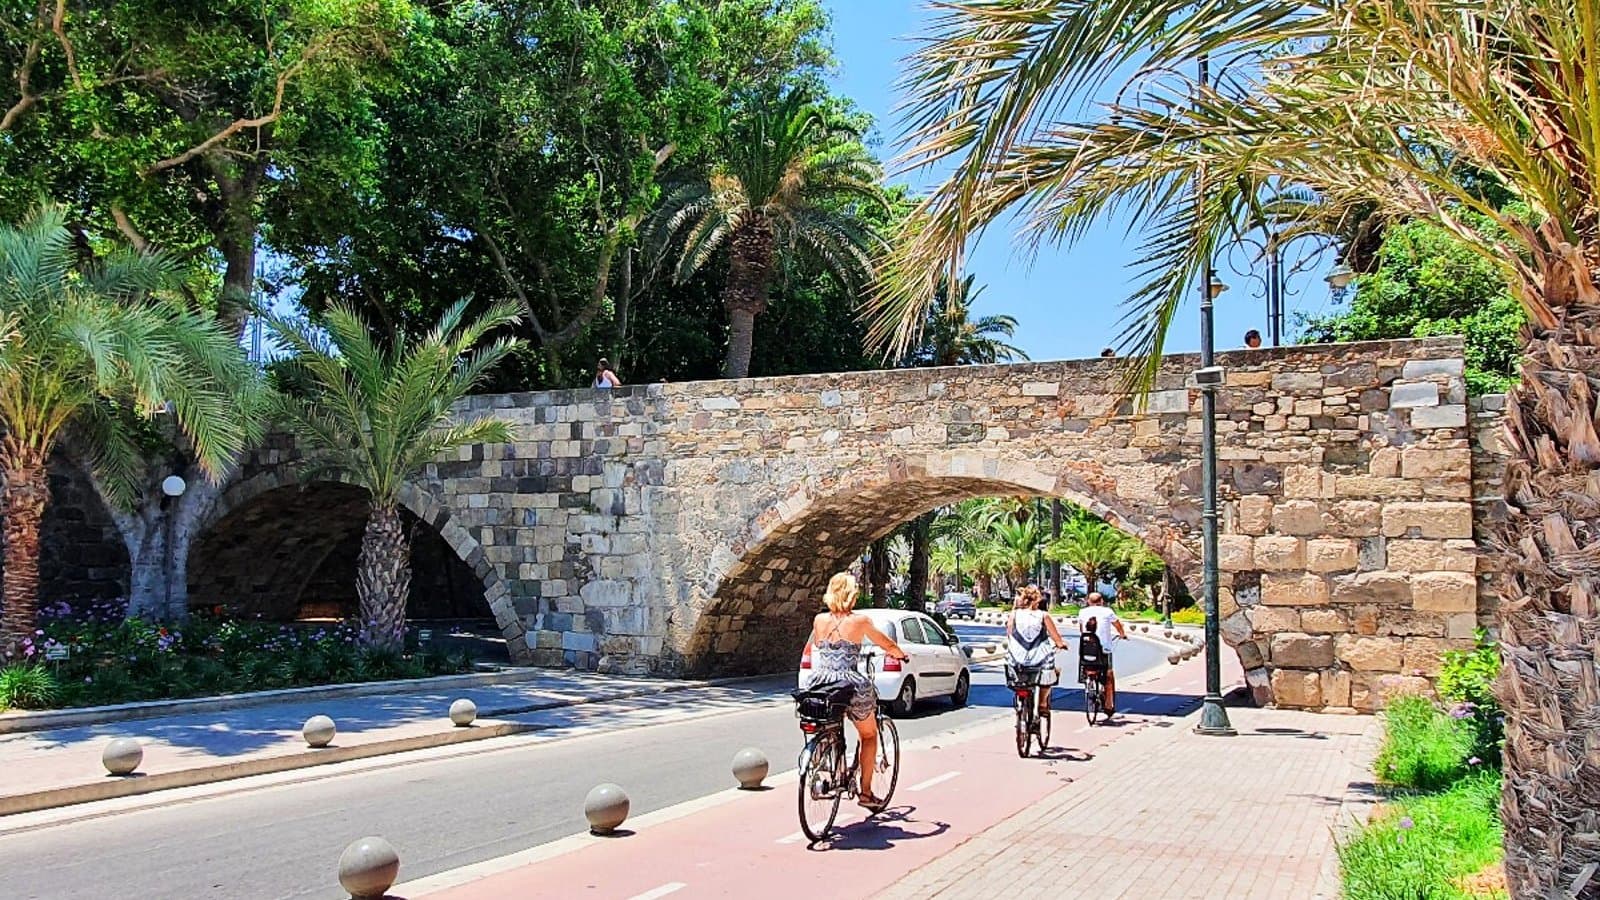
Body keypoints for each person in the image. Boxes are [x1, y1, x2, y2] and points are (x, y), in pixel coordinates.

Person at [804, 572, 910, 809]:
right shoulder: (860, 621)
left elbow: (817, 645)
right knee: (869, 735)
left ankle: (826, 762)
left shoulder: (819, 620)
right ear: (851, 595)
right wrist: (900, 654)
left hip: (822, 682)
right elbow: (886, 644)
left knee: (828, 724)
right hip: (850, 684)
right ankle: (866, 793)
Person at [1005, 585, 1067, 715]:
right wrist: (1061, 644)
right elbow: (1055, 636)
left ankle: (1020, 701)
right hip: (1038, 658)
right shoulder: (1043, 615)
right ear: (1037, 599)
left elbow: (1009, 634)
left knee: (1014, 671)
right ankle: (1042, 703)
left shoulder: (1014, 614)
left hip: (1017, 658)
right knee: (1048, 675)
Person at [1076, 591, 1128, 716]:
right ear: (1102, 601)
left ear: (1088, 601)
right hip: (1103, 650)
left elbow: (1081, 629)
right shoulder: (1107, 611)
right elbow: (1118, 625)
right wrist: (1122, 634)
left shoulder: (1082, 612)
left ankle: (1086, 679)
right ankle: (1109, 704)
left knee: (1086, 664)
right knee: (1109, 674)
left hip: (1086, 649)